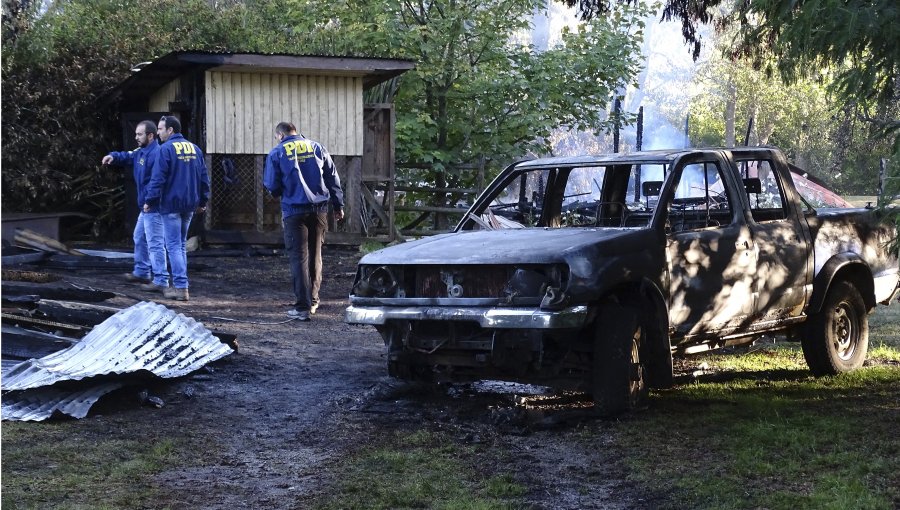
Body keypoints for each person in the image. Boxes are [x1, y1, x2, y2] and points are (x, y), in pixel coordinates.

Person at [263, 122, 344, 321]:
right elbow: (332, 176)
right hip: (319, 210)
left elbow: (272, 185)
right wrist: (338, 205)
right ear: (295, 132)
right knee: (315, 255)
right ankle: (314, 300)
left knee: (298, 258)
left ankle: (302, 307)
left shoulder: (277, 152)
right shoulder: (317, 147)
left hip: (293, 210)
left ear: (280, 135)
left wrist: (281, 192)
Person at [143, 115, 210, 301]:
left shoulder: (165, 150)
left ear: (170, 130)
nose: (157, 133)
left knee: (173, 246)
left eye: (160, 129)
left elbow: (158, 178)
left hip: (171, 205)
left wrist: (150, 200)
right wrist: (203, 202)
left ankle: (181, 287)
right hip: (189, 205)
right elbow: (204, 178)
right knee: (180, 245)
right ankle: (182, 286)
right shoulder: (195, 148)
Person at [101, 120, 166, 286]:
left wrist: (150, 201)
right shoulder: (141, 152)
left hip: (153, 206)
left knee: (155, 244)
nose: (136, 137)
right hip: (146, 206)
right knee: (140, 237)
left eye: (139, 134)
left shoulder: (156, 154)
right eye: (136, 134)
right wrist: (113, 156)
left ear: (150, 136)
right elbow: (128, 155)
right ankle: (142, 272)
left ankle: (160, 280)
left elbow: (157, 182)